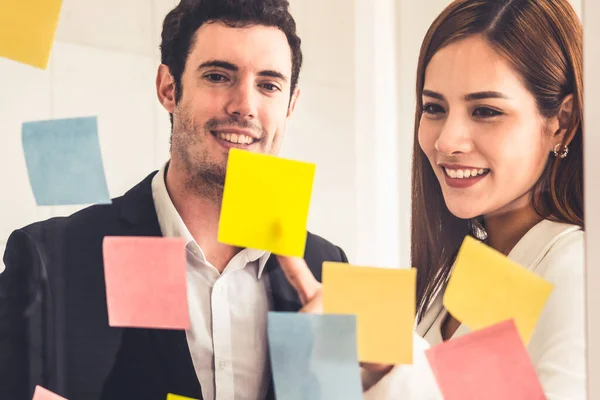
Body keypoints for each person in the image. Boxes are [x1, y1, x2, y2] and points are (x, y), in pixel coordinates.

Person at [0, 1, 350, 399]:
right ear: (168, 88)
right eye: (218, 76)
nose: (245, 106)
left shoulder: (326, 267)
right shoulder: (53, 259)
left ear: (290, 106)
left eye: (268, 85)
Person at [278, 0, 585, 398]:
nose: (446, 140)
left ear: (561, 122)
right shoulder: (475, 263)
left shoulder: (580, 273)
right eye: (434, 108)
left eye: (486, 111)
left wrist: (391, 359)